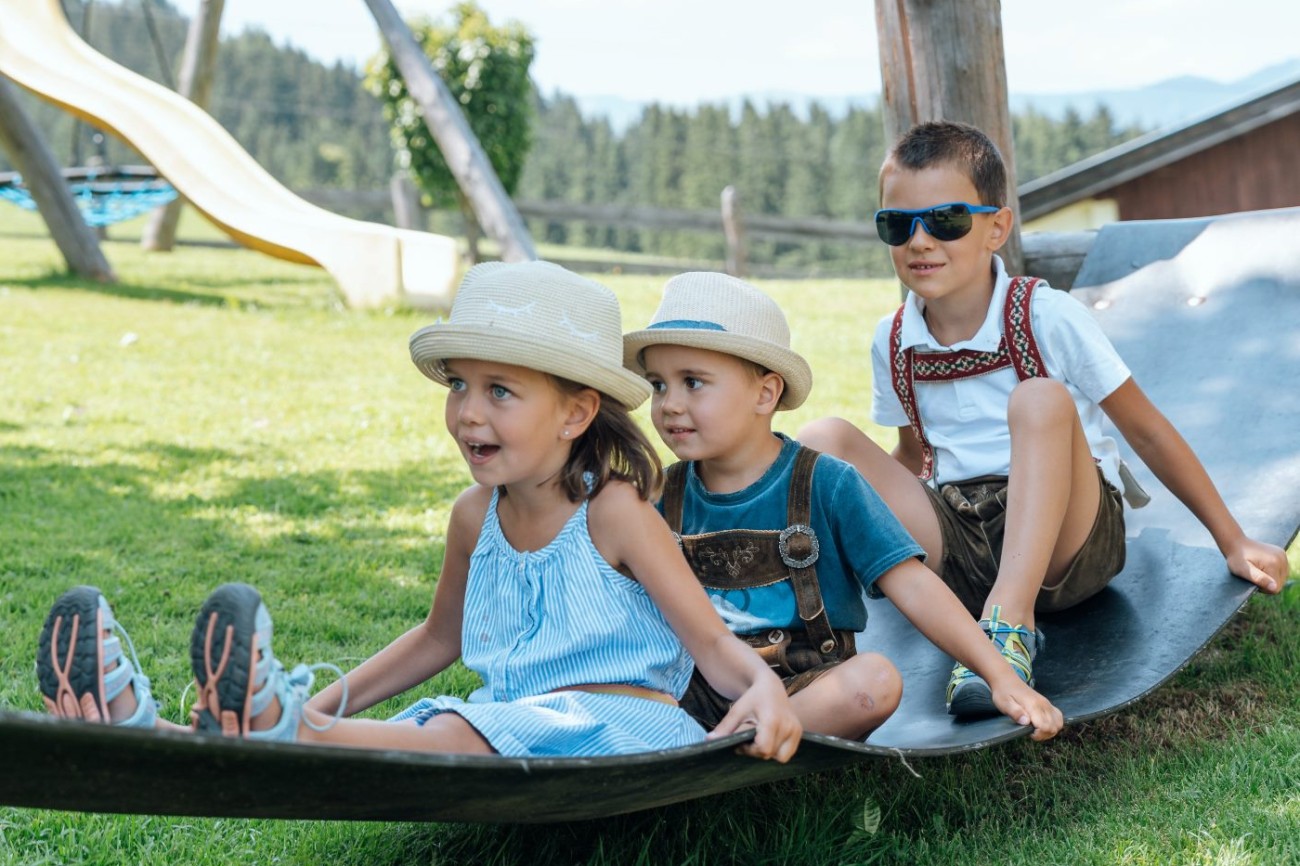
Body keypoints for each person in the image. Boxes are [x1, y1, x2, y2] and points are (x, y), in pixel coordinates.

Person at [35, 260, 803, 762]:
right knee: (439, 730)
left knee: (446, 734)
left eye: (500, 390)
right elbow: (438, 638)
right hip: (503, 729)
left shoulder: (615, 512)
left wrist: (762, 688)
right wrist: (322, 701)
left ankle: (279, 728)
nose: (468, 413)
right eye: (458, 386)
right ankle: (152, 733)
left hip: (618, 730)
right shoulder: (475, 516)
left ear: (576, 413)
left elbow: (707, 641)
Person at [798, 120, 1290, 718]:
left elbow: (1146, 430)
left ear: (996, 228)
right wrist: (872, 532)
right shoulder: (895, 337)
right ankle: (808, 613)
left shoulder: (1044, 315)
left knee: (1041, 400)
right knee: (823, 439)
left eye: (946, 220)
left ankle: (1007, 629)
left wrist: (1231, 539)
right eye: (898, 225)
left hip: (1070, 540)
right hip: (962, 533)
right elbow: (910, 456)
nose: (920, 241)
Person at [623, 271, 1063, 740]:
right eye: (658, 385)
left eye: (692, 382)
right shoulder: (657, 497)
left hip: (803, 687)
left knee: (873, 682)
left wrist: (999, 676)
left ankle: (726, 742)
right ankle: (711, 738)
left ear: (765, 393)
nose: (668, 405)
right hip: (694, 683)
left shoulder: (827, 483)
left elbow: (913, 585)